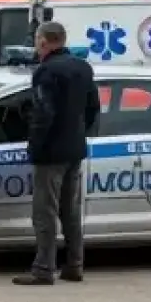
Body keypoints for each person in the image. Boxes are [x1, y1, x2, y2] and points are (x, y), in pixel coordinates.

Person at [16, 20, 98, 286]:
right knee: (70, 210)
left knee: (45, 212)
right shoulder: (83, 68)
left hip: (51, 153)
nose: (36, 47)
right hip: (75, 148)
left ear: (43, 41)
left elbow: (44, 113)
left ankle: (43, 269)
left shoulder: (46, 72)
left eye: (37, 42)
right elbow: (93, 108)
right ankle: (74, 265)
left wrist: (35, 146)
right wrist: (77, 132)